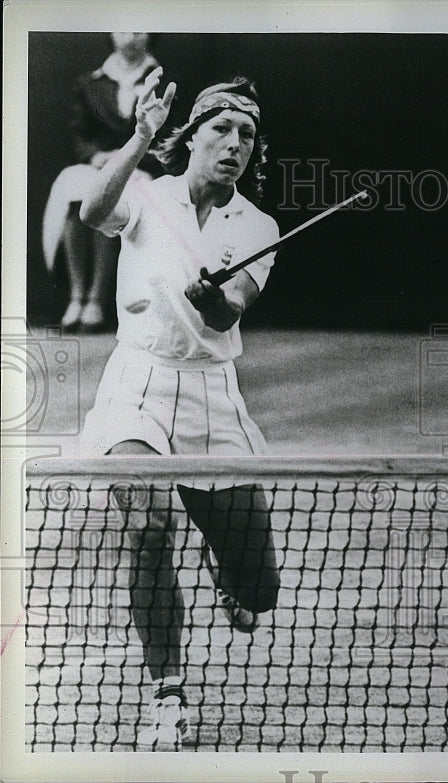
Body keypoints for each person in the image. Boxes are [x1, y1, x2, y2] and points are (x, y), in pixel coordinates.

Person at [78, 67, 281, 748]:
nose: (234, 143)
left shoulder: (258, 223)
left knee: (261, 591)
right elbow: (91, 212)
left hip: (214, 395)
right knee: (150, 525)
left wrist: (212, 300)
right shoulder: (146, 192)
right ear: (192, 133)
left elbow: (230, 315)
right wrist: (140, 133)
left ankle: (230, 579)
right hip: (139, 380)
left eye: (247, 133)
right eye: (221, 127)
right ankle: (168, 692)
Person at [42, 32, 162, 332]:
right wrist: (95, 156)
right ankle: (77, 295)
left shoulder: (163, 79)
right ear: (111, 34)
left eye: (140, 29)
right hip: (97, 165)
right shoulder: (91, 81)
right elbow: (78, 133)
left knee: (110, 201)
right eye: (124, 29)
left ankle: (96, 298)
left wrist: (129, 157)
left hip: (139, 167)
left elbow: (169, 136)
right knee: (74, 189)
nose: (132, 37)